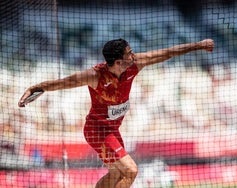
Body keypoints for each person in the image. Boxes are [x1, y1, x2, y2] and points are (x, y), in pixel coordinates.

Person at [18, 38, 214, 188]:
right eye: (130, 53)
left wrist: (198, 45)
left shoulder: (134, 66)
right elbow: (62, 82)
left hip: (113, 130)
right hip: (97, 130)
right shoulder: (95, 76)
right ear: (119, 61)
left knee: (115, 174)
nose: (134, 55)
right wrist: (35, 87)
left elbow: (167, 53)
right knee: (130, 170)